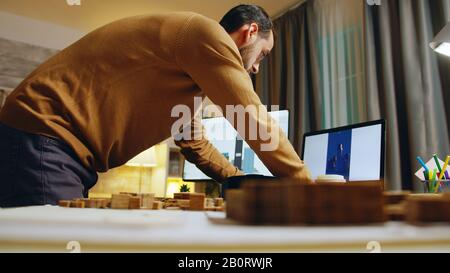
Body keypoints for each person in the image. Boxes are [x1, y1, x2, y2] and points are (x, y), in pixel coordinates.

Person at [0, 4, 311, 207]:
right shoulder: (204, 34)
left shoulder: (191, 74)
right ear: (250, 32)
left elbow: (192, 141)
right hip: (44, 136)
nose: (257, 68)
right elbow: (249, 115)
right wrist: (305, 186)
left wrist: (234, 179)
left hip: (51, 145)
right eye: (263, 55)